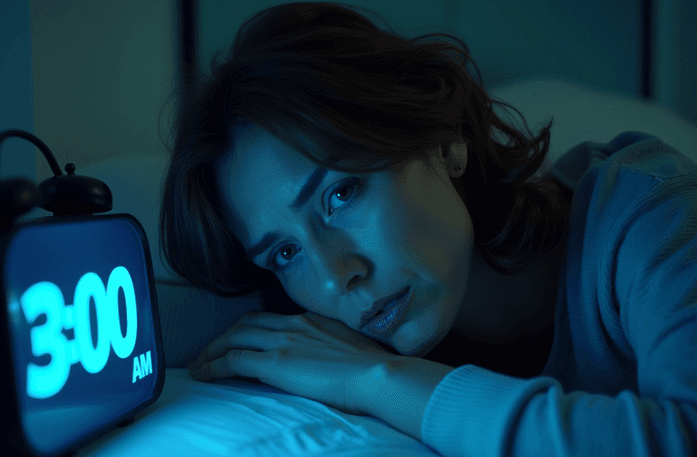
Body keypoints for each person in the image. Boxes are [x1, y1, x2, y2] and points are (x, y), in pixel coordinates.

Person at [158, 2, 697, 455]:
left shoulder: (648, 208)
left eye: (340, 195)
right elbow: (192, 321)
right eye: (284, 252)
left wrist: (376, 382)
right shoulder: (322, 314)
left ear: (444, 139)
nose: (334, 277)